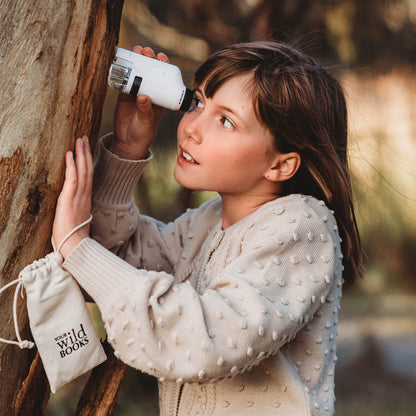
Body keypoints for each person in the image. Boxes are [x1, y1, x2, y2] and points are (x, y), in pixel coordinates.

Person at [53, 41, 361, 415]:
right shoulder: (207, 222)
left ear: (280, 166)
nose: (191, 129)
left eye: (226, 121)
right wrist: (126, 149)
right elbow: (110, 260)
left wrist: (79, 249)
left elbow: (204, 340)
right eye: (198, 102)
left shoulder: (302, 230)